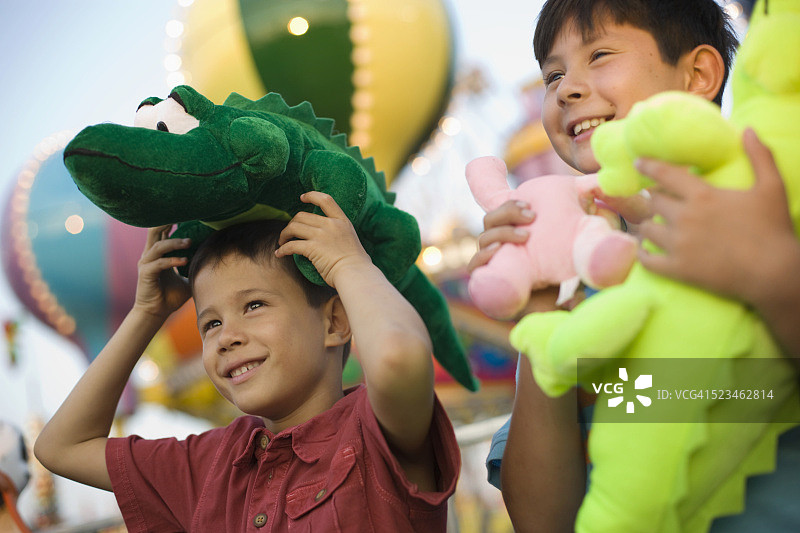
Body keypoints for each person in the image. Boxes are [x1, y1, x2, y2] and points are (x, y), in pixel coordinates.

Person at [470, 0, 800, 531]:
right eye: (553, 74)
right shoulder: (577, 290)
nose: (566, 89)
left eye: (599, 54)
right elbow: (543, 521)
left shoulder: (780, 208)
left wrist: (768, 274)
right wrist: (540, 327)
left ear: (698, 74)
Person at [34, 191, 460, 532]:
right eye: (211, 323)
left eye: (254, 305)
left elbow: (399, 358)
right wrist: (147, 314)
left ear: (334, 322)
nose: (226, 337)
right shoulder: (209, 465)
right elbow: (61, 448)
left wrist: (349, 264)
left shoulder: (377, 433)